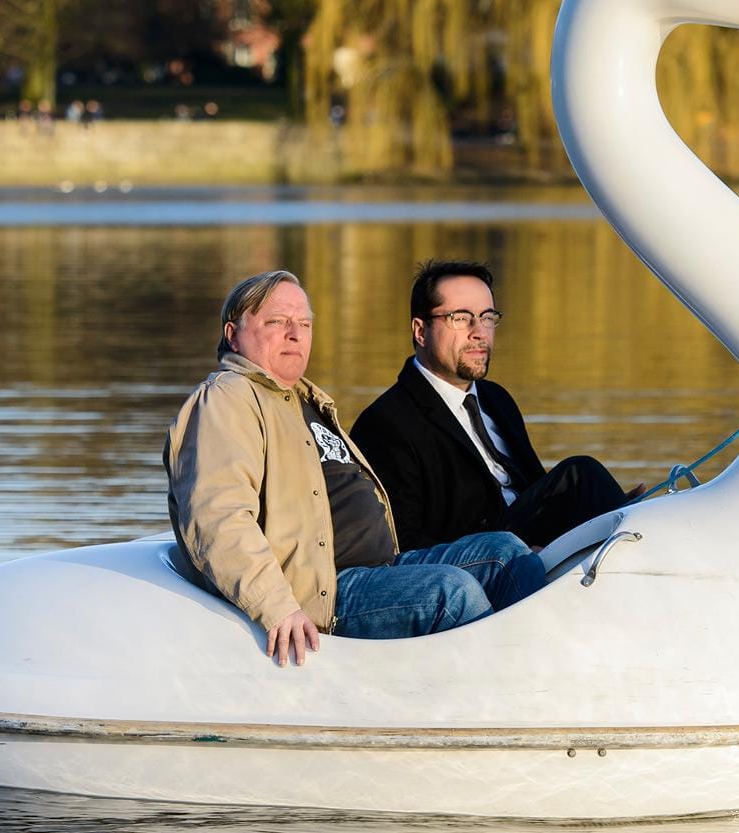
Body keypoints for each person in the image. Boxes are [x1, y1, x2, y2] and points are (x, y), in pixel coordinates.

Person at [165, 270, 544, 667]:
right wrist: (276, 607)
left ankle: (553, 664)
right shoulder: (228, 398)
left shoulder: (302, 400)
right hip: (327, 589)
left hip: (381, 566)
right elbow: (217, 519)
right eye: (276, 322)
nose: (294, 333)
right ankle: (511, 688)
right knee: (451, 590)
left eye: (304, 323)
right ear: (233, 333)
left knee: (506, 552)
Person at [352, 260, 637, 553]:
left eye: (487, 317)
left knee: (633, 510)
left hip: (534, 546)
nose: (479, 332)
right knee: (580, 473)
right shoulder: (385, 423)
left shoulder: (496, 398)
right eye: (460, 318)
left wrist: (602, 511)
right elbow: (403, 542)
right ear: (420, 330)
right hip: (477, 563)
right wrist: (516, 558)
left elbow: (537, 491)